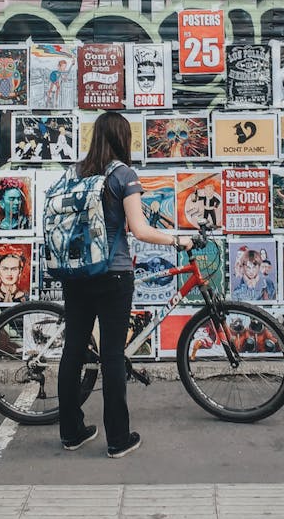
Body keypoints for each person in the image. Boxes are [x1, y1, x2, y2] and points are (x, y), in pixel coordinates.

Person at [58, 112, 194, 459]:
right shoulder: (123, 175)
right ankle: (118, 438)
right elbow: (140, 229)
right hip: (113, 274)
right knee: (113, 355)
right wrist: (178, 241)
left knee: (73, 349)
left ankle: (71, 432)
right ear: (123, 138)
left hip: (77, 273)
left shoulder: (77, 171)